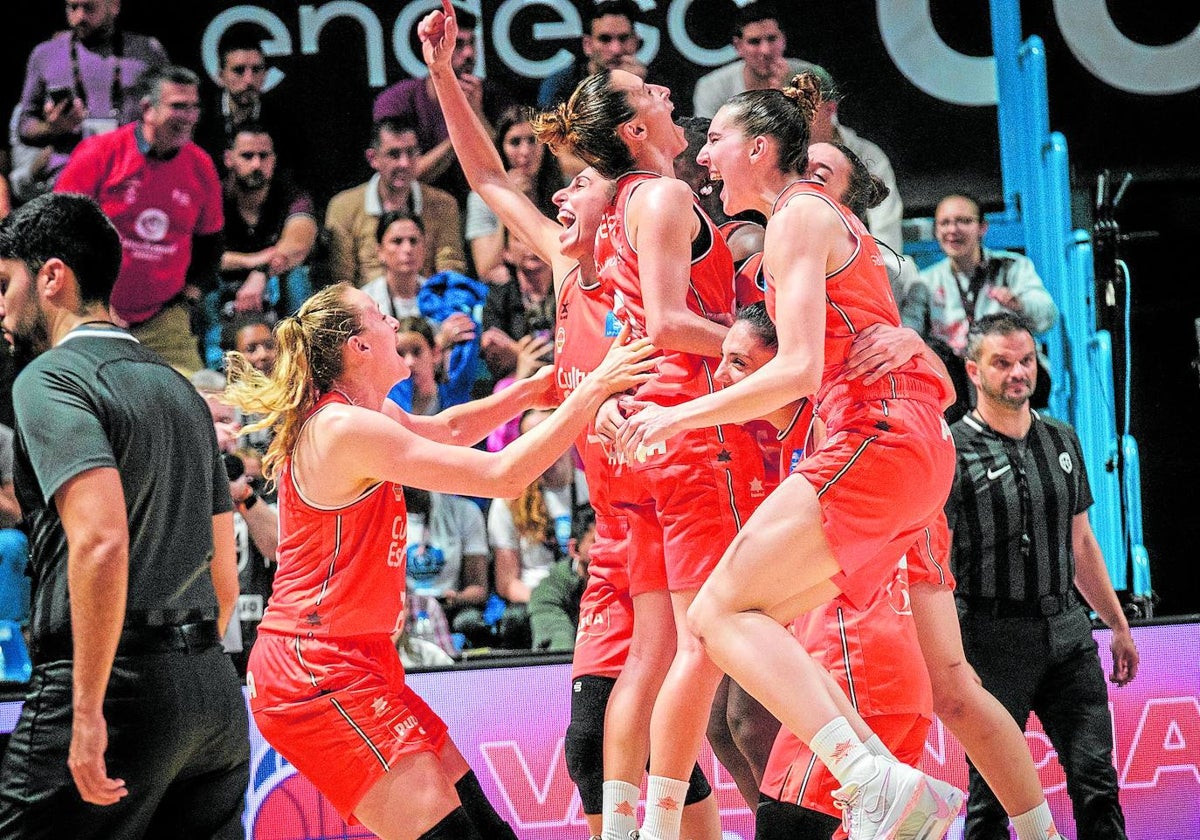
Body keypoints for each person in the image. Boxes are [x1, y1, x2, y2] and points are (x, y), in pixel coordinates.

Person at [616, 72, 1068, 840]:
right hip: (903, 453)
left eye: (716, 140)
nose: (705, 155)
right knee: (938, 681)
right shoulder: (801, 234)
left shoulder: (798, 216)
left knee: (722, 612)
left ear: (760, 148)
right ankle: (1014, 826)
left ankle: (868, 782)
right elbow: (812, 370)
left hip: (876, 442)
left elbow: (792, 372)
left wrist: (675, 416)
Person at [416, 8, 722, 837]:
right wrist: (443, 76)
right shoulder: (564, 265)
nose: (560, 191)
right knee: (604, 741)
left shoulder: (654, 220)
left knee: (658, 730)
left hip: (669, 504)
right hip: (613, 528)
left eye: (580, 180)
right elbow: (483, 179)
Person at [220, 279, 653, 840]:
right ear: (359, 346)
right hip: (314, 668)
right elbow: (504, 476)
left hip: (361, 658)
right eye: (381, 317)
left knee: (486, 829)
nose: (395, 324)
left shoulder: (362, 414)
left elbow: (449, 429)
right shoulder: (343, 428)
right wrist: (590, 393)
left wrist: (529, 391)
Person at [531, 59, 766, 840]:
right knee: (700, 648)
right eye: (653, 93)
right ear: (635, 129)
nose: (669, 95)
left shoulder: (637, 203)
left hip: (652, 450)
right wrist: (760, 346)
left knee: (662, 654)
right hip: (692, 438)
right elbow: (668, 325)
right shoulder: (659, 196)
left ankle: (639, 827)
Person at [0, 192, 249, 837]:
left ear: (51, 276)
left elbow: (102, 540)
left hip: (114, 685)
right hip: (211, 694)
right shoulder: (181, 389)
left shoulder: (50, 377)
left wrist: (88, 710)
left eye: (5, 283)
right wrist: (180, 667)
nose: (0, 306)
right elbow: (224, 574)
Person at [948, 312, 1138, 840]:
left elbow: (1081, 543)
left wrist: (1117, 625)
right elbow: (933, 562)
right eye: (1002, 363)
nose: (1018, 372)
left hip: (1069, 638)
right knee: (991, 801)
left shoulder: (1062, 437)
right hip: (990, 640)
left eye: (1026, 361)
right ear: (973, 370)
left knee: (1096, 783)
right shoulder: (951, 450)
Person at [55, 64, 223, 377]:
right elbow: (60, 229)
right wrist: (94, 299)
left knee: (199, 400)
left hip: (163, 319)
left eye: (193, 107)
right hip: (91, 313)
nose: (188, 116)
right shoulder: (100, 153)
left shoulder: (200, 166)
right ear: (148, 108)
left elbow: (211, 242)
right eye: (177, 106)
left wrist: (189, 294)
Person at [905, 192, 1059, 408]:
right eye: (944, 223)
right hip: (957, 382)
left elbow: (1048, 317)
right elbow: (908, 333)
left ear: (982, 227)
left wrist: (1019, 304)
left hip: (1007, 368)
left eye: (964, 221)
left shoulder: (1012, 267)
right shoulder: (925, 282)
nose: (952, 230)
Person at [16, 0, 169, 196]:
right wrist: (53, 128)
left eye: (89, 7)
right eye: (72, 8)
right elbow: (24, 126)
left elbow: (171, 111)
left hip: (134, 173)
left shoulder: (147, 50)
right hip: (68, 175)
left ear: (114, 6)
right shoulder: (45, 54)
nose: (79, 17)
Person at [373, 7, 515, 208]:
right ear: (435, 47)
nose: (469, 53)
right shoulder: (397, 101)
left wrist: (477, 114)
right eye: (458, 44)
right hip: (416, 207)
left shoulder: (491, 96)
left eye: (472, 43)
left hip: (482, 204)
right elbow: (403, 174)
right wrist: (463, 127)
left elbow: (504, 170)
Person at [203, 121, 317, 368]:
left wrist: (262, 273)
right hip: (222, 289)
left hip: (273, 290)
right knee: (204, 281)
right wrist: (252, 261)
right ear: (229, 159)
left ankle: (300, 361)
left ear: (274, 159)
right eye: (247, 156)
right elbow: (200, 254)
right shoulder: (214, 197)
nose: (256, 164)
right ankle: (215, 368)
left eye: (263, 156)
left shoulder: (291, 196)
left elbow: (298, 244)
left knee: (296, 276)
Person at [487, 408, 589, 647]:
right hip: (536, 594)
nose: (544, 446)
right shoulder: (508, 500)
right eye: (534, 439)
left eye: (551, 434)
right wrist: (546, 600)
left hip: (587, 589)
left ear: (568, 436)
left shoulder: (593, 486)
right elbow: (507, 583)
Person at [324, 117, 467, 287]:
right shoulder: (343, 207)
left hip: (427, 303)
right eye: (394, 154)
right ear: (373, 158)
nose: (404, 163)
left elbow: (450, 266)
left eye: (411, 152)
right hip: (367, 305)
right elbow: (342, 280)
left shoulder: (444, 204)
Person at [807, 67, 905, 254]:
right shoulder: (780, 155)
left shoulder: (868, 156)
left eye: (805, 107)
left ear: (830, 108)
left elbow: (885, 225)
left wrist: (879, 270)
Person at [465, 107, 567, 284]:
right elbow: (486, 268)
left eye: (533, 140)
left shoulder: (567, 190)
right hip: (509, 292)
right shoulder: (481, 197)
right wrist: (509, 201)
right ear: (500, 149)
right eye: (515, 142)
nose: (525, 151)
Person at [193, 28, 301, 173]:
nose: (249, 80)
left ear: (264, 75)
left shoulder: (283, 122)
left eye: (256, 70)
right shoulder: (200, 119)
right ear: (220, 76)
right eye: (239, 70)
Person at [691, 2, 822, 120]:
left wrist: (788, 93)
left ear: (783, 39)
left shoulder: (811, 77)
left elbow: (829, 135)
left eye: (772, 39)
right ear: (738, 46)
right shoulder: (712, 87)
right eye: (754, 42)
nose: (765, 50)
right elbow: (707, 141)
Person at [537, 0, 647, 110]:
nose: (616, 50)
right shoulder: (560, 85)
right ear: (588, 45)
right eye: (605, 39)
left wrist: (641, 91)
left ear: (636, 41)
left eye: (623, 38)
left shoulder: (653, 83)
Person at [529, 502, 595, 651]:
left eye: (612, 541)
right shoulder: (549, 591)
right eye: (596, 542)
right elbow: (559, 647)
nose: (608, 549)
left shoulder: (630, 582)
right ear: (574, 549)